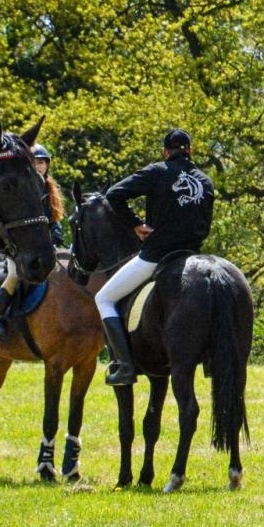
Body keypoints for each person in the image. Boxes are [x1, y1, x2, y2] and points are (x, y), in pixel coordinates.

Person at [94, 129, 215, 385]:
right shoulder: (205, 181)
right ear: (190, 151)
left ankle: (125, 366)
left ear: (165, 152)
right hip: (193, 255)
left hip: (157, 256)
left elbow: (114, 194)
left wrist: (135, 224)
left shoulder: (157, 171)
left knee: (103, 298)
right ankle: (211, 356)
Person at [0, 142, 65, 337]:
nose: (40, 166)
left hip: (43, 246)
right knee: (15, 275)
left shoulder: (49, 190)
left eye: (43, 162)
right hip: (17, 247)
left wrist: (56, 236)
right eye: (36, 162)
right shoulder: (22, 188)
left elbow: (53, 219)